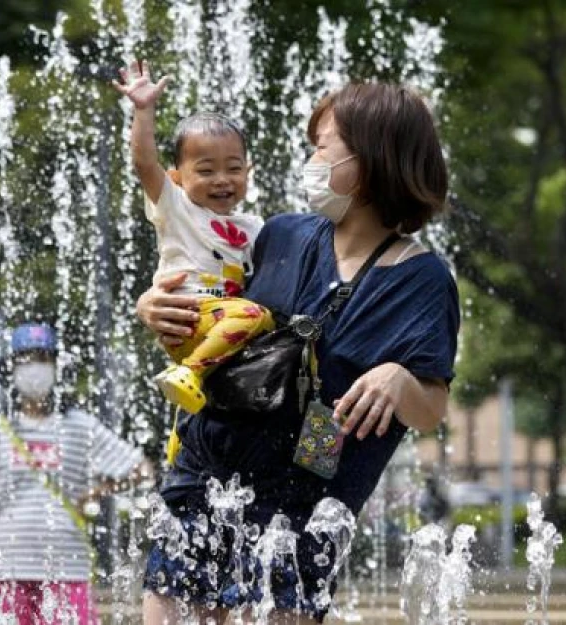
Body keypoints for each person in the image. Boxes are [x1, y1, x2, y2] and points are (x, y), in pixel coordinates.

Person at [136, 82, 458, 623]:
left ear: (371, 160)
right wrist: (155, 307)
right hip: (206, 480)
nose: (310, 159)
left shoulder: (421, 279)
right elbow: (212, 305)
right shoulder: (280, 236)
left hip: (300, 511)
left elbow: (431, 408)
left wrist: (399, 378)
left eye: (323, 147)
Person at [0, 321, 148, 625]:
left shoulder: (80, 426)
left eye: (42, 358)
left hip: (67, 567)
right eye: (25, 360)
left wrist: (94, 493)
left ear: (56, 366)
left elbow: (141, 468)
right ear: (12, 370)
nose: (34, 368)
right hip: (7, 566)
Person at [112, 60, 274, 416]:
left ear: (248, 173)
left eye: (233, 169)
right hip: (192, 316)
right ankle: (188, 373)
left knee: (203, 407)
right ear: (177, 177)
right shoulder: (178, 207)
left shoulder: (257, 226)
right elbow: (144, 163)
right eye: (205, 170)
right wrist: (143, 111)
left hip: (223, 328)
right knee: (258, 316)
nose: (221, 179)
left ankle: (183, 426)